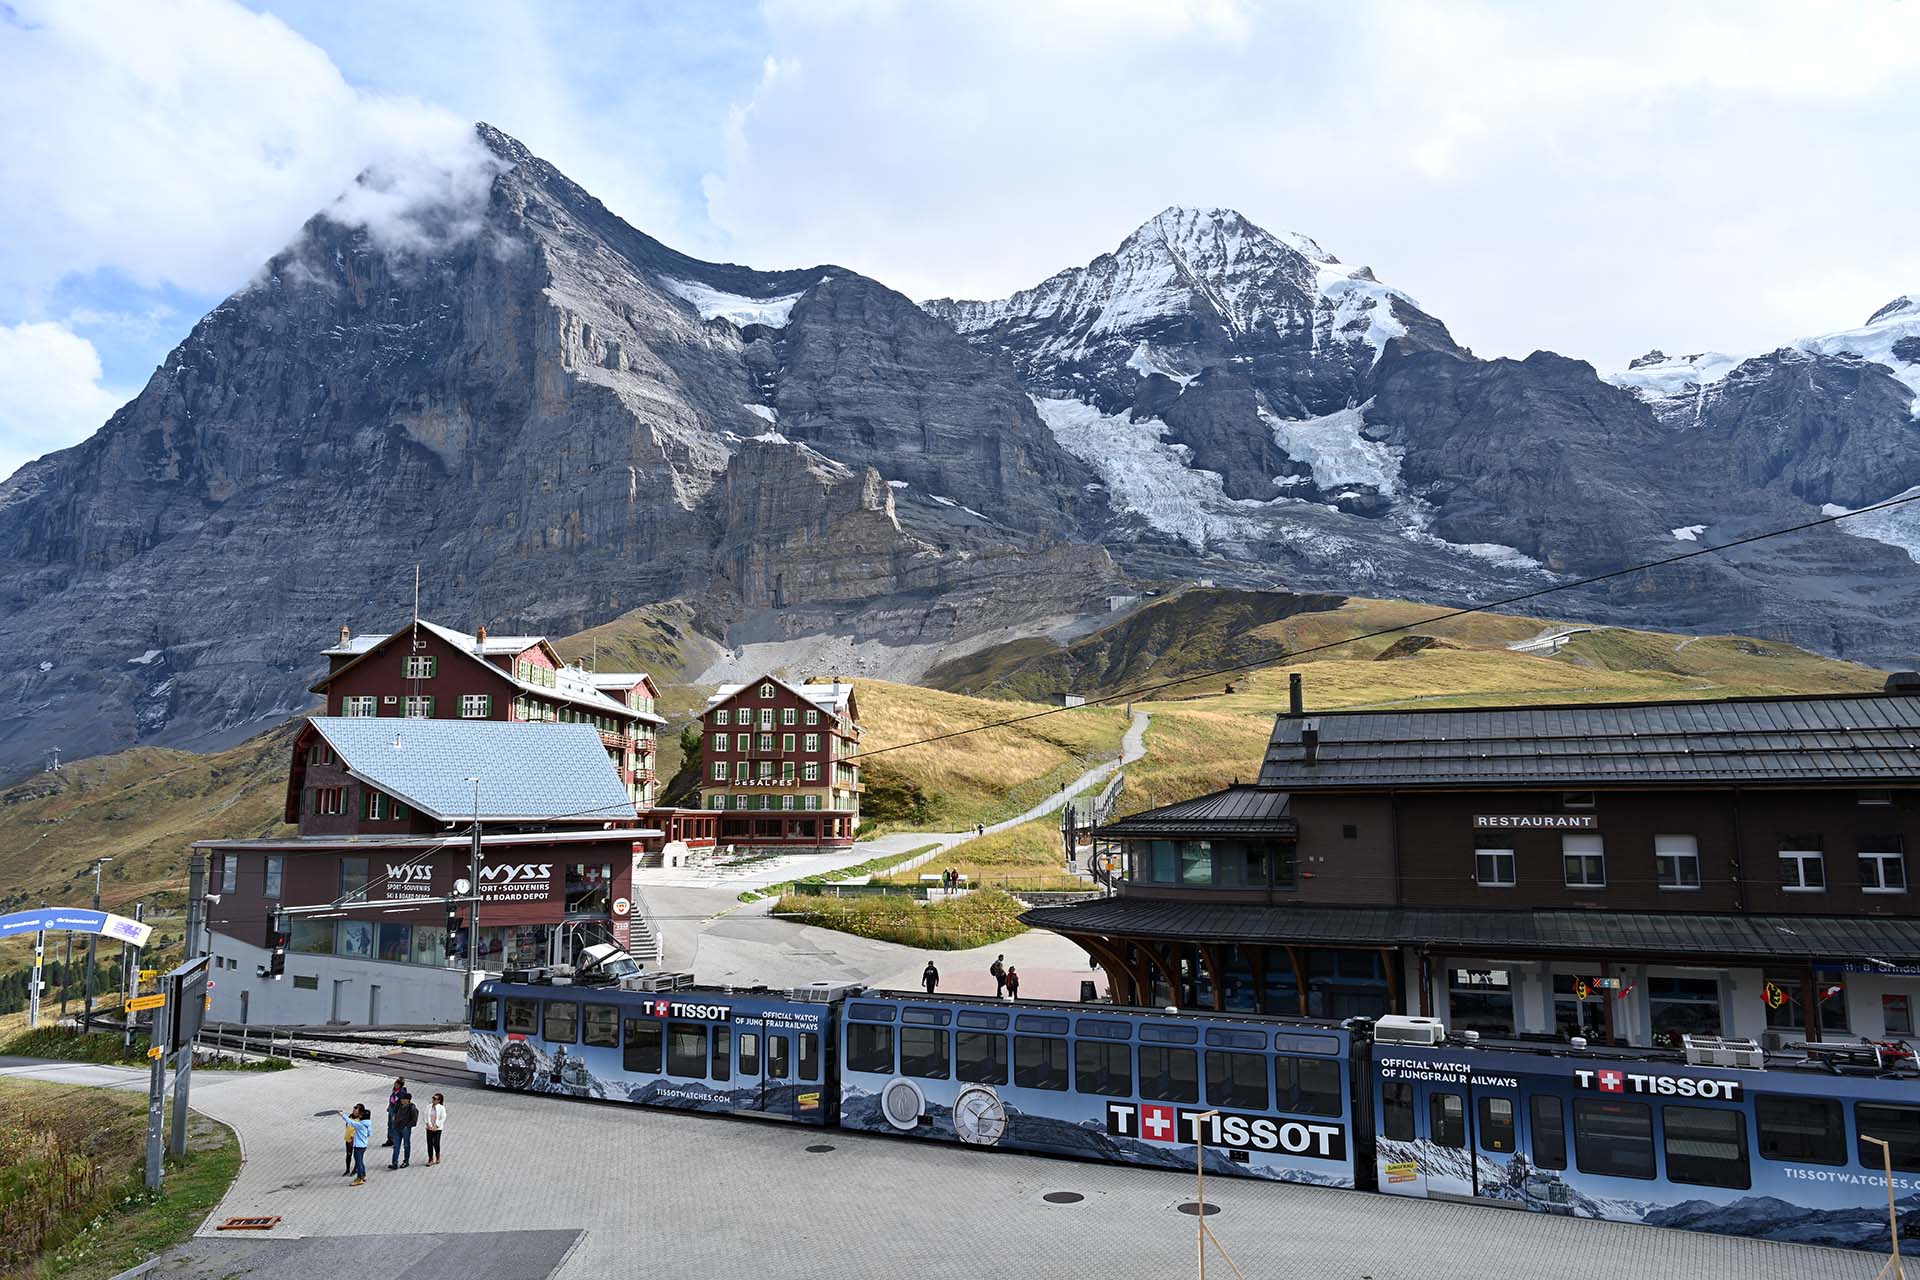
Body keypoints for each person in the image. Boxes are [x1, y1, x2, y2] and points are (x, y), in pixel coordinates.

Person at [340, 1104, 372, 1185]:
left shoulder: (360, 1125)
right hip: (363, 1145)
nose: (360, 1115)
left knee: (358, 1162)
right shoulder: (368, 1124)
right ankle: (363, 1175)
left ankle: (359, 1178)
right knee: (361, 1161)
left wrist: (342, 1115)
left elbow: (351, 1122)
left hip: (358, 1146)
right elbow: (369, 1134)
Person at [390, 1090, 418, 1169]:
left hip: (405, 1129)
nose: (401, 1100)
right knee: (396, 1146)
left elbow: (414, 1120)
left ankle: (406, 1161)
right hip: (397, 1128)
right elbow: (394, 1111)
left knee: (406, 1145)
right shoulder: (399, 1105)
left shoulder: (412, 1107)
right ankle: (394, 1163)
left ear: (408, 1100)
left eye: (403, 1099)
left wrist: (407, 1126)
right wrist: (394, 1117)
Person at [425, 1093, 446, 1167]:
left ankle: (437, 1155)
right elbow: (425, 1116)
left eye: (435, 1099)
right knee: (429, 1143)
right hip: (429, 1128)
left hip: (437, 1129)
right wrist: (428, 1124)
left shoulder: (441, 1108)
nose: (433, 1100)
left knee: (436, 1143)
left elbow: (443, 1118)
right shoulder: (429, 1106)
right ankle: (430, 1159)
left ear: (439, 1100)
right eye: (433, 1098)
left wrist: (436, 1126)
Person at [383, 1077, 405, 1146]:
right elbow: (392, 1099)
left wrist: (396, 1113)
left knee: (394, 1126)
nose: (395, 1084)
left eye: (397, 1084)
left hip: (396, 1111)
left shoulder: (401, 1093)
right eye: (395, 1083)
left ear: (400, 1085)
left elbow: (400, 1103)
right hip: (391, 1108)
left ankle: (395, 1140)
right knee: (390, 1125)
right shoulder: (395, 1090)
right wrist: (389, 1106)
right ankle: (390, 1139)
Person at [341, 1109, 356, 1175]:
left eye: (355, 1110)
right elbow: (347, 1126)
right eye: (353, 1110)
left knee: (356, 1156)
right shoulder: (350, 1117)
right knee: (348, 1155)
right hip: (348, 1139)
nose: (354, 1111)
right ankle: (347, 1169)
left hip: (355, 1140)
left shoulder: (360, 1120)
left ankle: (355, 1169)